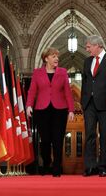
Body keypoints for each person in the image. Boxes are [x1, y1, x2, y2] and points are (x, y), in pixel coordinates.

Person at [26, 47, 75, 177]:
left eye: (57, 56)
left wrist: (71, 110)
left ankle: (57, 168)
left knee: (58, 139)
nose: (57, 59)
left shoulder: (63, 72)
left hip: (60, 109)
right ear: (46, 58)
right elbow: (32, 91)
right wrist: (29, 105)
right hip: (42, 110)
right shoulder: (37, 73)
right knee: (46, 140)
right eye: (53, 56)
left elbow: (68, 92)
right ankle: (47, 161)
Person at [81, 35, 106, 177]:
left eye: (88, 46)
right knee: (90, 135)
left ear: (97, 45)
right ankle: (90, 167)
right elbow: (85, 81)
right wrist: (82, 101)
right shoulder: (87, 61)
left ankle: (103, 166)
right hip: (89, 104)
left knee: (105, 135)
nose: (87, 49)